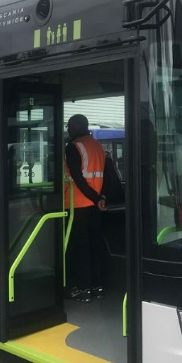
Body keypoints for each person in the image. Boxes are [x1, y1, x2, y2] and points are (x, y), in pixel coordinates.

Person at [64, 114, 108, 302]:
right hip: (95, 207)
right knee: (94, 247)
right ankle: (97, 287)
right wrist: (101, 198)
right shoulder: (97, 146)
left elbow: (77, 178)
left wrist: (95, 197)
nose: (67, 129)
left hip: (77, 206)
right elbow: (107, 174)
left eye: (69, 125)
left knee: (79, 249)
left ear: (76, 127)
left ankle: (82, 289)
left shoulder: (73, 147)